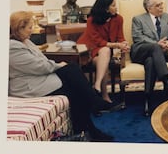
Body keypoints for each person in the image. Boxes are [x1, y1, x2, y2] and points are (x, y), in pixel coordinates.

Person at [9, 11, 115, 142]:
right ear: (19, 28)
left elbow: (41, 61)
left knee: (74, 78)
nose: (32, 31)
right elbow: (40, 66)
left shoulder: (25, 41)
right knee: (72, 76)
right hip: (29, 87)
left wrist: (59, 65)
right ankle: (92, 112)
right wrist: (60, 65)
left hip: (38, 79)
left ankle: (87, 129)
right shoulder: (12, 48)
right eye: (29, 28)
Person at [130, 0, 168, 116]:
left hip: (156, 56)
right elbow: (138, 38)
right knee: (154, 47)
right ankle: (166, 83)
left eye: (161, 4)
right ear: (149, 8)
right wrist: (157, 44)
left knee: (151, 61)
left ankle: (147, 99)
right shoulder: (138, 19)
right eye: (158, 5)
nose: (161, 7)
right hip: (140, 52)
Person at [77, 0, 129, 103]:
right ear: (106, 8)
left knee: (104, 56)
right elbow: (97, 41)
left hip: (103, 52)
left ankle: (97, 88)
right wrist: (116, 45)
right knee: (104, 55)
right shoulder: (92, 20)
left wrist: (124, 44)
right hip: (88, 49)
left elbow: (120, 37)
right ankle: (104, 96)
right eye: (113, 5)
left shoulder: (119, 19)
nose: (116, 8)